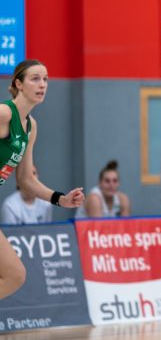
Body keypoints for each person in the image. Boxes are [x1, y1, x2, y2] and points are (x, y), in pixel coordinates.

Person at [0, 59, 84, 299]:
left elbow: (26, 179)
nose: (42, 84)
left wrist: (60, 199)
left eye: (45, 79)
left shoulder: (30, 127)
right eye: (35, 78)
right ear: (19, 83)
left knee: (15, 275)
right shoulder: (5, 113)